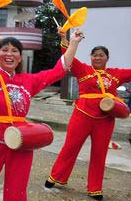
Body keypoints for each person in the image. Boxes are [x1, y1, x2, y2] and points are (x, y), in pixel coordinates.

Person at [0, 25, 84, 201]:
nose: (9, 54)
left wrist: (74, 44)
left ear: (19, 57)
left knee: (17, 189)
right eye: (4, 50)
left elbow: (58, 71)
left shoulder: (28, 81)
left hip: (21, 140)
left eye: (14, 51)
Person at [45, 29, 131, 200]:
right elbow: (66, 54)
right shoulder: (82, 69)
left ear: (107, 58)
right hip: (82, 115)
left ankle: (95, 188)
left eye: (101, 55)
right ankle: (56, 177)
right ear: (91, 58)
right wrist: (64, 37)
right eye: (95, 55)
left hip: (106, 119)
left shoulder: (116, 74)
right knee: (70, 147)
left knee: (99, 153)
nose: (98, 58)